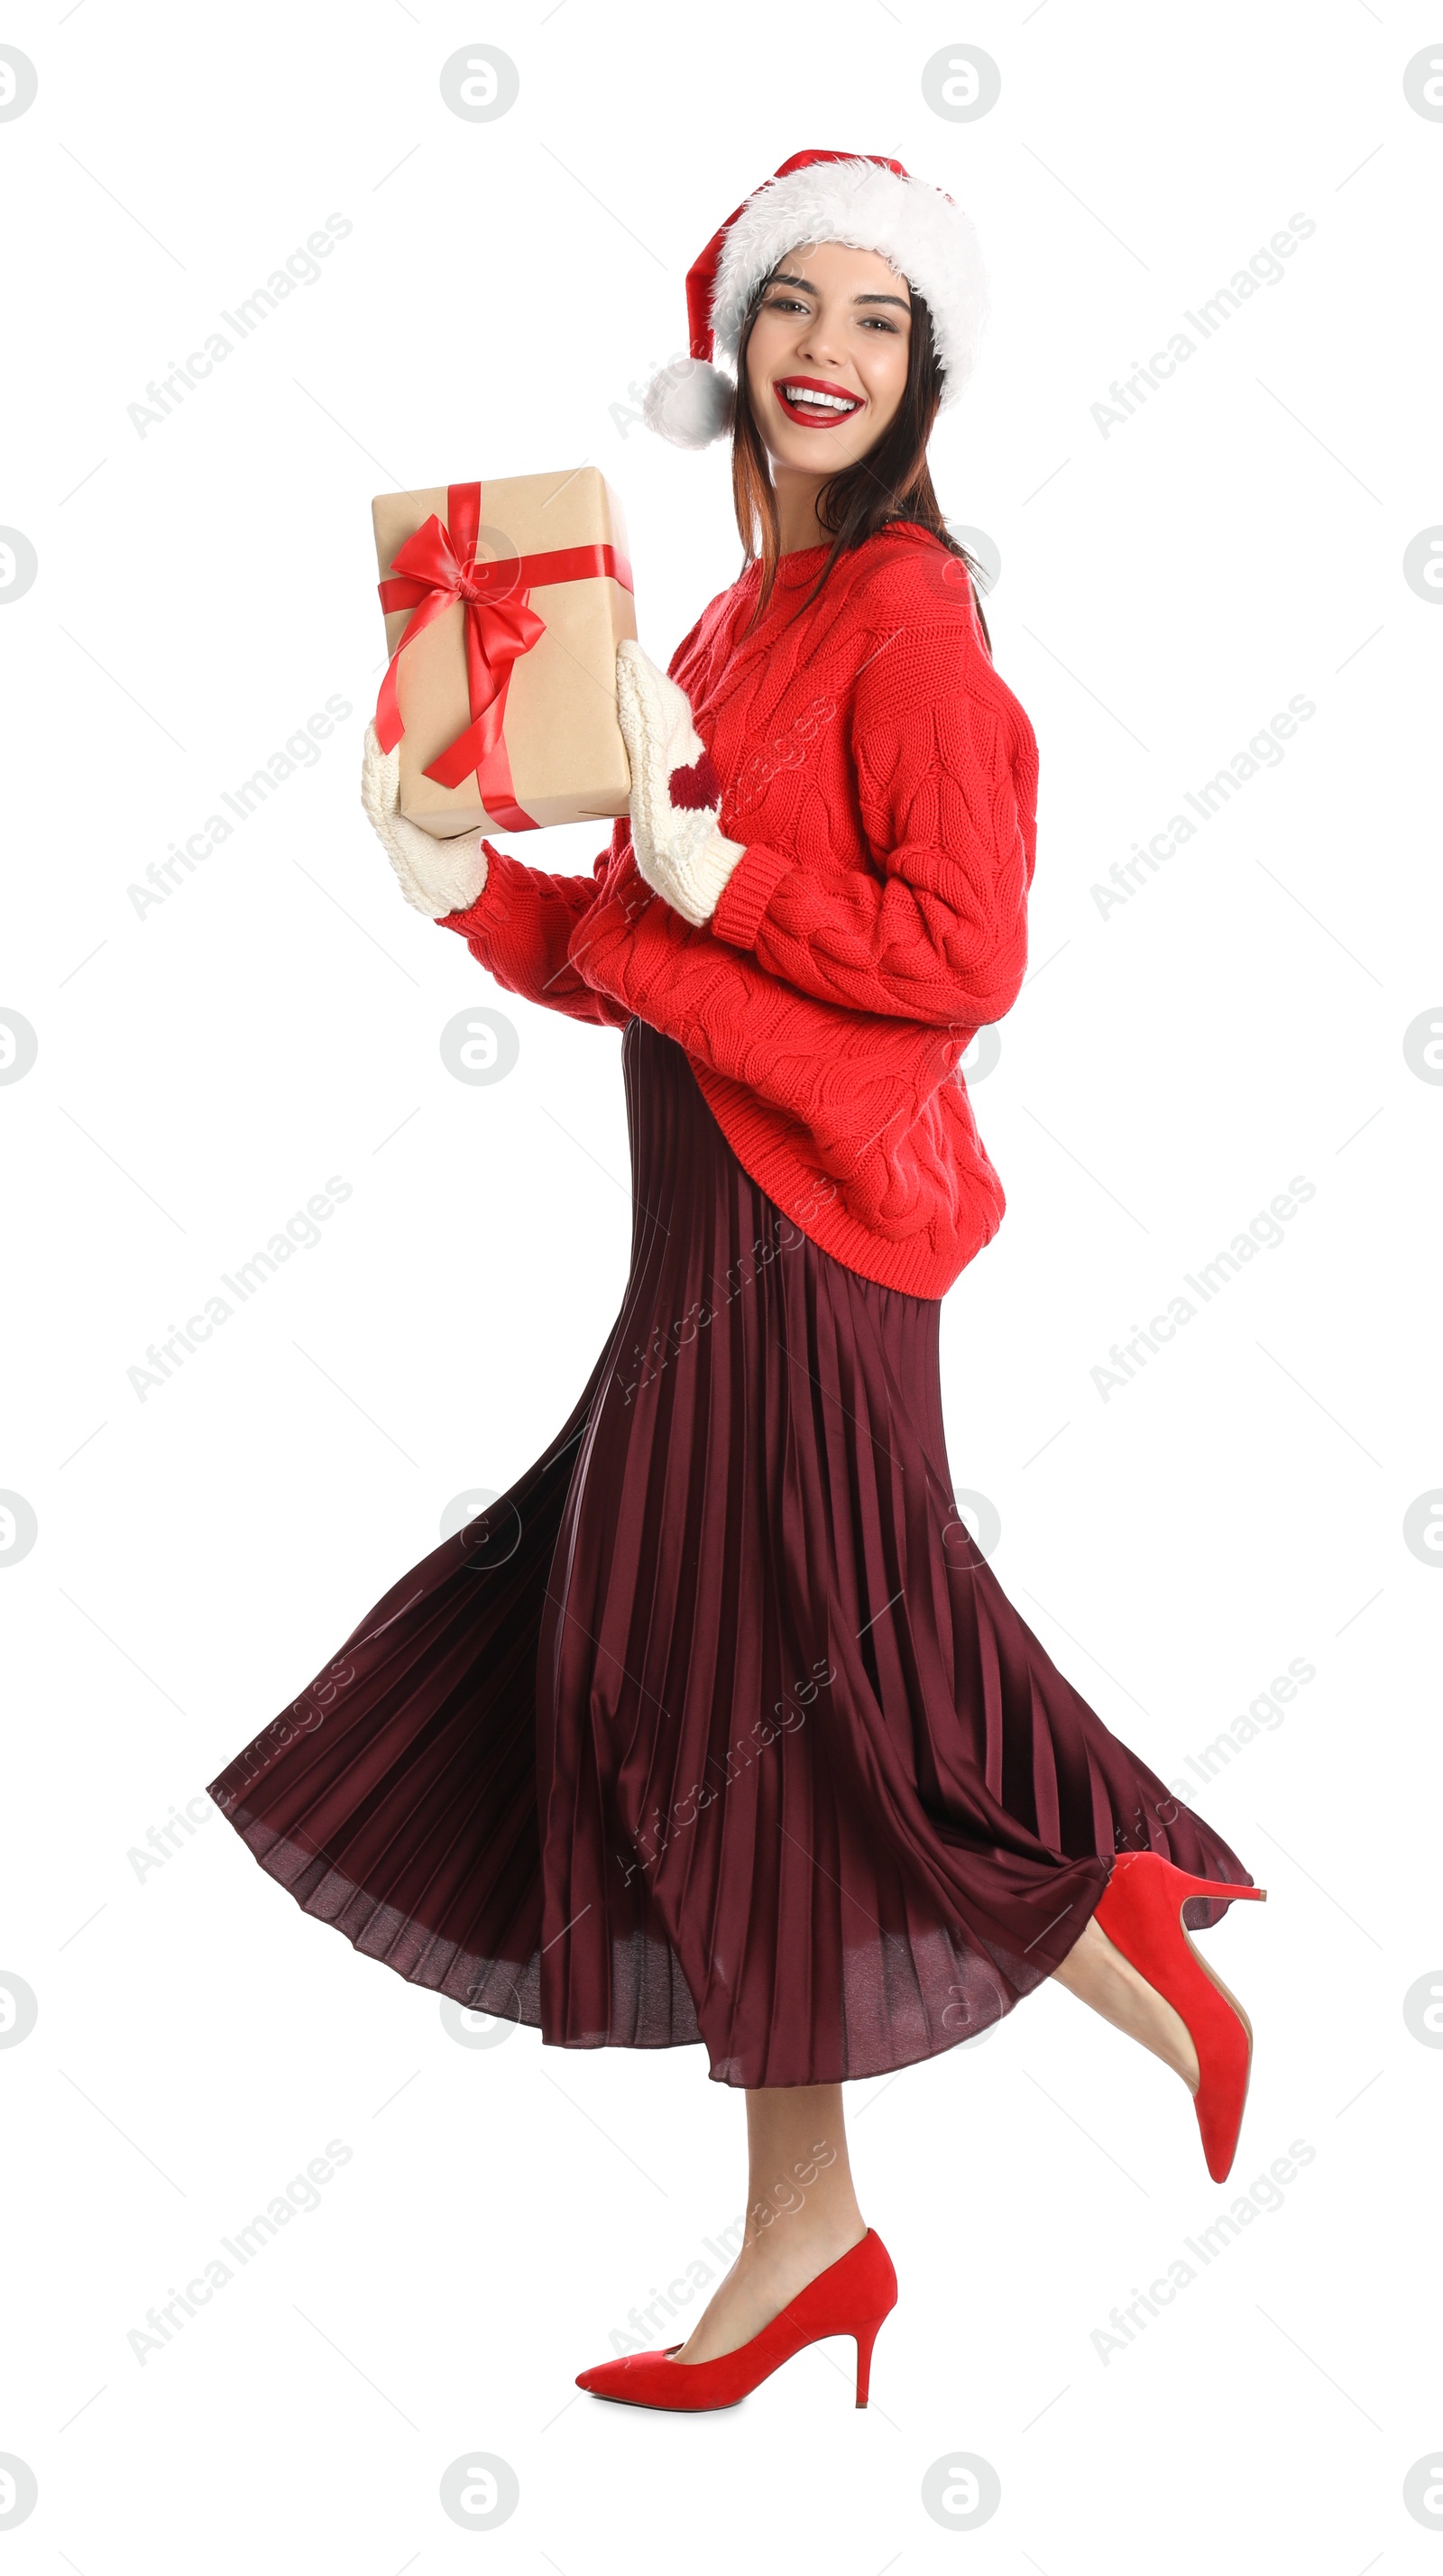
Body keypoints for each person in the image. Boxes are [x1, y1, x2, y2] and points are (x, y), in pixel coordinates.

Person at [206, 150, 1265, 2416]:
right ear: (732, 351)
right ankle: (813, 2233)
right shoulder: (706, 635)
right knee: (723, 1713)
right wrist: (460, 883)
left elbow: (957, 956)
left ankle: (1110, 1934)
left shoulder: (903, 620)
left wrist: (724, 863)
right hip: (696, 1244)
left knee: (765, 1696)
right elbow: (627, 962)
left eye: (880, 319)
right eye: (799, 305)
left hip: (816, 1245)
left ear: (921, 372)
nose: (830, 349)